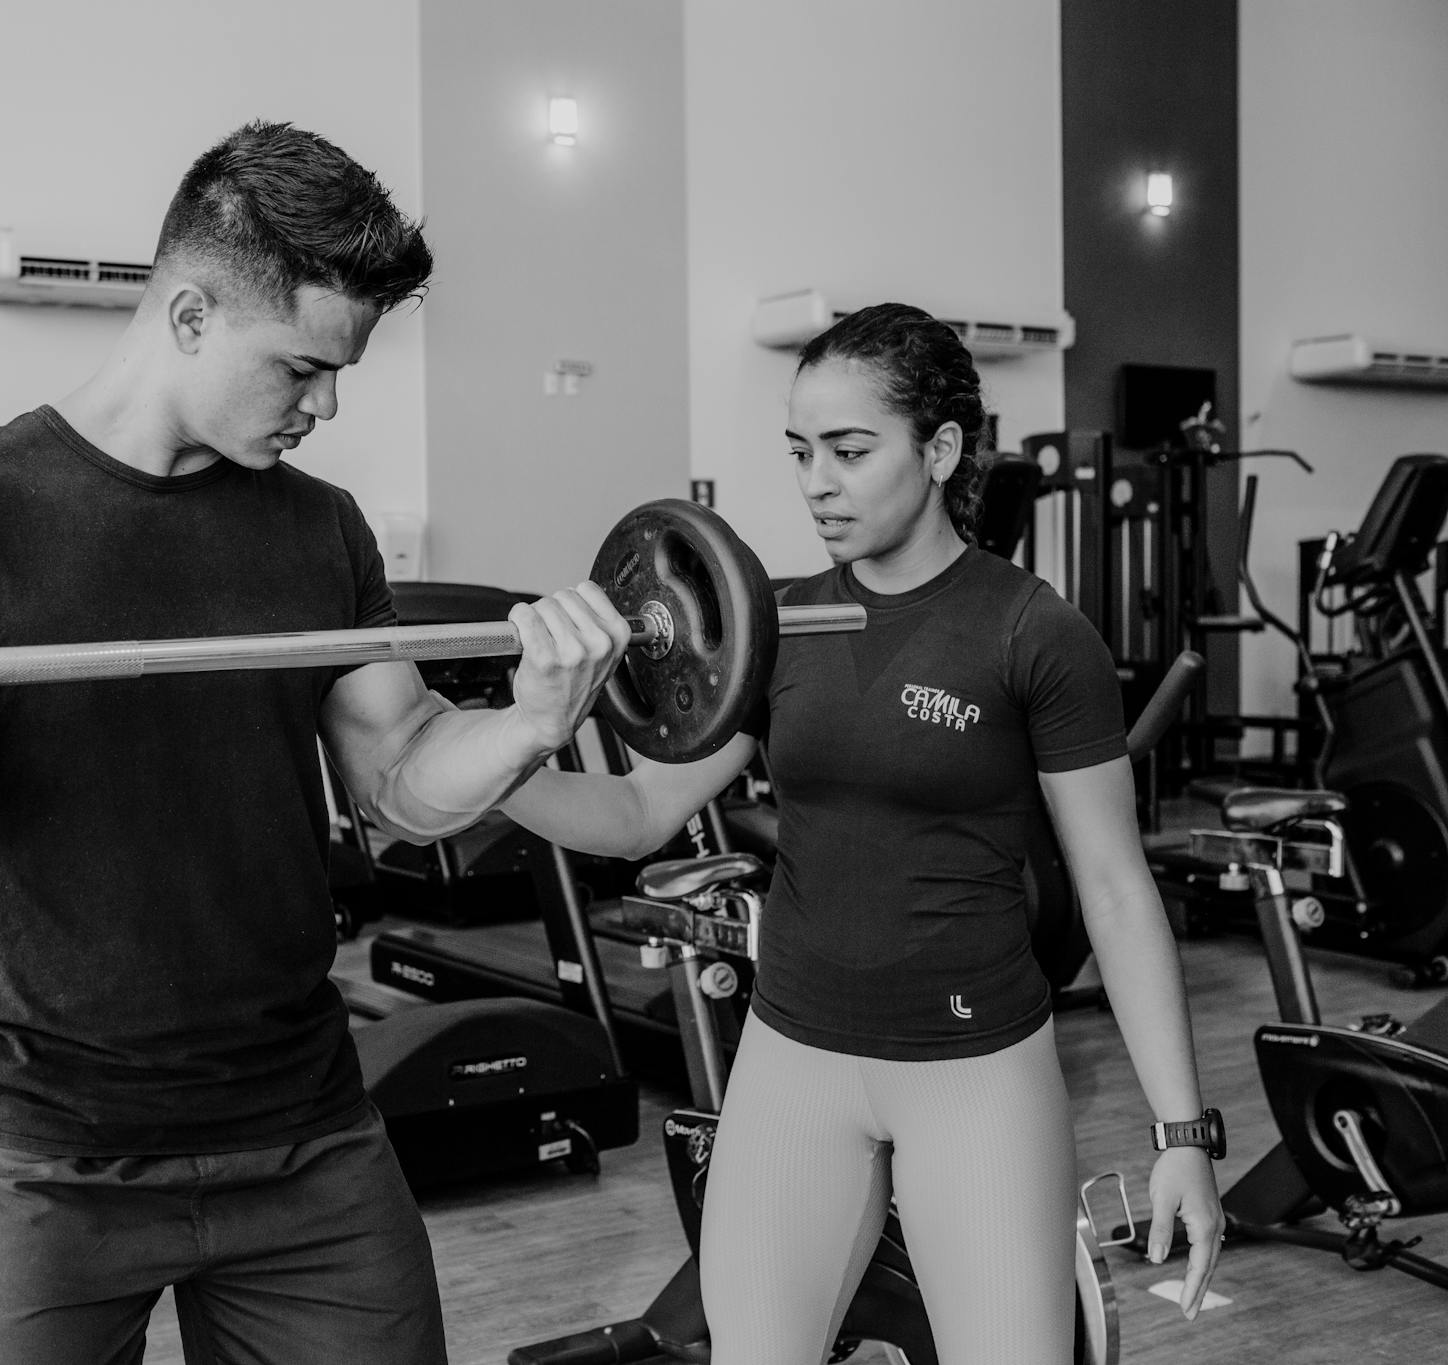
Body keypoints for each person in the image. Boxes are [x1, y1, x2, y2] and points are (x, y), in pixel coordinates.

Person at [0, 120, 633, 1365]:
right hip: (53, 1160)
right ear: (189, 316)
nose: (326, 403)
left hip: (306, 1134)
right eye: (300, 367)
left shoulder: (320, 530)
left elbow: (401, 782)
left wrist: (529, 723)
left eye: (341, 372)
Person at [502, 303, 1225, 1363]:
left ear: (937, 450)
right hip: (792, 1059)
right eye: (798, 452)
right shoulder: (775, 624)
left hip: (975, 1069)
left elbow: (1114, 892)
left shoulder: (1030, 632)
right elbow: (633, 814)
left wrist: (1179, 1136)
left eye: (848, 451)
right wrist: (473, 757)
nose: (815, 483)